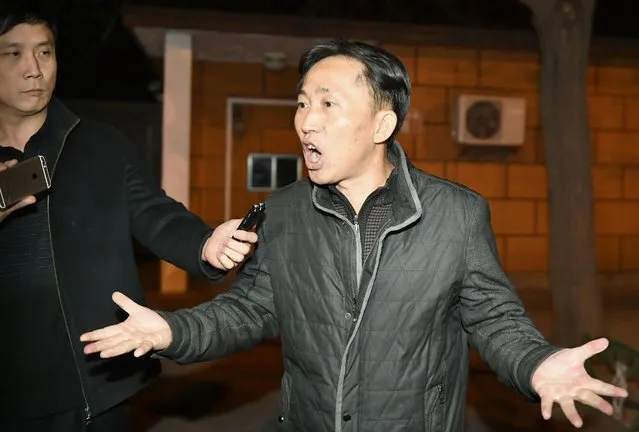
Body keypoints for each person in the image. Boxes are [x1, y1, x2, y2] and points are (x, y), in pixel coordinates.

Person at [81, 40, 627, 432]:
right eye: (302, 102)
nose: (305, 121)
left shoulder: (456, 214)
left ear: (381, 126)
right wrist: (169, 332)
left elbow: (494, 318)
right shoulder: (286, 210)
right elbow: (249, 310)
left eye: (327, 104)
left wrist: (537, 363)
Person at [0, 4, 256, 431]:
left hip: (94, 381)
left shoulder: (101, 146)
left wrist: (206, 244)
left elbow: (154, 213)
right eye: (13, 54)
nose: (34, 70)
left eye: (45, 53)